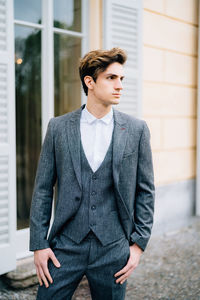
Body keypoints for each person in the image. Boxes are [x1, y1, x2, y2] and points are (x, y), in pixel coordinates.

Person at [30, 47, 155, 300]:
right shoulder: (58, 128)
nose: (119, 85)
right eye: (111, 78)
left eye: (122, 79)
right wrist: (39, 244)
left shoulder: (136, 130)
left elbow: (146, 190)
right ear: (90, 82)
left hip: (113, 248)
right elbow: (43, 189)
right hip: (65, 245)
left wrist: (138, 246)